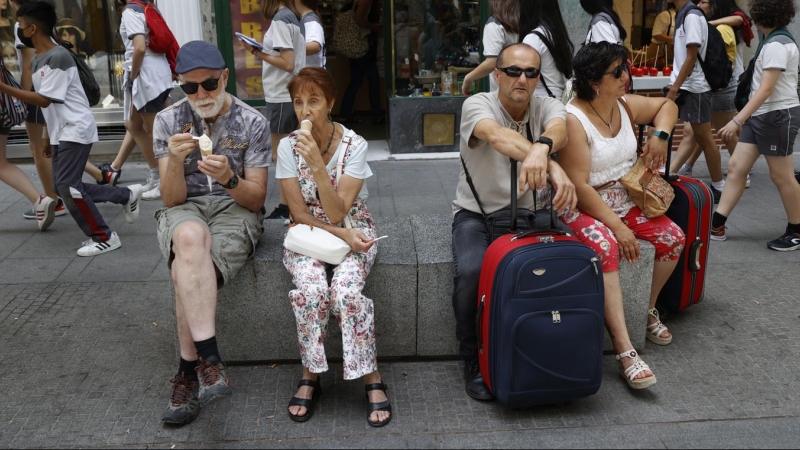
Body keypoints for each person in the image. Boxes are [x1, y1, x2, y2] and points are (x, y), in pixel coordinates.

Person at [153, 40, 270, 425]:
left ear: (224, 77)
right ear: (179, 84)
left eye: (209, 85)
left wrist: (229, 178)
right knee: (189, 239)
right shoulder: (168, 122)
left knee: (185, 272)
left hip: (234, 208)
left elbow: (255, 201)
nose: (200, 94)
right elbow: (171, 200)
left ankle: (188, 371)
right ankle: (212, 359)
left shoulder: (253, 122)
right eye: (190, 87)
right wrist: (173, 160)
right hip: (186, 208)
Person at [452, 43, 577, 400]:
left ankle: (552, 347)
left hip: (528, 216)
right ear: (497, 74)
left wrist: (543, 148)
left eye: (531, 72)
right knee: (472, 272)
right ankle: (472, 357)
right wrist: (550, 163)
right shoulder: (478, 104)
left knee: (566, 264)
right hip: (476, 214)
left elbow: (560, 129)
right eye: (513, 71)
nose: (522, 79)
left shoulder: (547, 103)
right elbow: (498, 137)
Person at [558, 42, 685, 388]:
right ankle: (625, 349)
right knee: (607, 248)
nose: (627, 76)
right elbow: (580, 187)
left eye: (625, 68)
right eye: (618, 72)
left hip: (626, 196)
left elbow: (667, 105)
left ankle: (646, 308)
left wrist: (660, 136)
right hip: (584, 203)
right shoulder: (574, 120)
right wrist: (617, 228)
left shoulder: (623, 104)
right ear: (595, 82)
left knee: (672, 238)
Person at [276, 66, 391, 426]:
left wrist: (316, 165)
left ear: (330, 103)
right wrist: (339, 234)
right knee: (311, 292)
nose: (305, 111)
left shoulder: (355, 145)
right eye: (298, 102)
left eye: (314, 101)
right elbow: (296, 212)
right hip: (306, 236)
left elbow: (340, 210)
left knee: (345, 292)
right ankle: (311, 374)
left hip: (356, 228)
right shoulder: (286, 146)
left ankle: (370, 374)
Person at [0, 1, 143, 255]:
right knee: (63, 186)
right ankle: (125, 195)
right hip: (60, 131)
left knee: (67, 186)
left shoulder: (58, 57)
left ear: (32, 29)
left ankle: (104, 235)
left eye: (21, 26)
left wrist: (5, 89)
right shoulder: (39, 59)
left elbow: (44, 99)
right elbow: (49, 103)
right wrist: (46, 135)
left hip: (76, 128)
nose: (18, 31)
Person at [712, 0, 800, 250]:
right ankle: (717, 224)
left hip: (777, 115)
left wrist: (737, 120)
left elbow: (766, 89)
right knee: (736, 166)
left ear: (759, 17)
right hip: (762, 115)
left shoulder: (776, 45)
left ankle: (796, 231)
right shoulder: (774, 41)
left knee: (781, 175)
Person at [241, 0, 305, 221]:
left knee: (281, 155)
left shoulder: (280, 19)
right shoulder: (292, 16)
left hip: (281, 94)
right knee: (290, 152)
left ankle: (287, 207)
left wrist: (257, 53)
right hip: (289, 91)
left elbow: (287, 63)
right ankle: (294, 205)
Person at [675, 0, 749, 186]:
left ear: (716, 6)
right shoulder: (703, 21)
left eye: (705, 2)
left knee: (724, 133)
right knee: (699, 132)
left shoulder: (721, 28)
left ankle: (741, 174)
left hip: (721, 87)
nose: (700, 4)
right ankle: (683, 167)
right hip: (713, 86)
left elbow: (714, 59)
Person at [666, 0, 725, 203]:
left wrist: (674, 89)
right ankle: (669, 172)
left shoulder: (691, 16)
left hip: (695, 88)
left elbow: (691, 57)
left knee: (705, 138)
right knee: (695, 135)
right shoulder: (685, 14)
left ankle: (719, 186)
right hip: (688, 86)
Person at [12, 0, 65, 223]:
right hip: (49, 86)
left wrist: (22, 97)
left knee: (38, 149)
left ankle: (53, 200)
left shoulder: (23, 25)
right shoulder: (42, 20)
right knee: (53, 142)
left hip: (36, 89)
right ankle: (99, 175)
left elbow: (27, 64)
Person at [118, 0, 174, 201]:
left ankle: (165, 181)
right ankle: (156, 175)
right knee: (133, 124)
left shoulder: (130, 11)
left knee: (158, 133)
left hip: (146, 76)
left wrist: (133, 75)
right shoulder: (146, 7)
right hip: (157, 72)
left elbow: (139, 47)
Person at [336, 0, 383, 124]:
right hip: (361, 45)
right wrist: (374, 27)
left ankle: (344, 114)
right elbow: (358, 19)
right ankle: (376, 115)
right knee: (373, 80)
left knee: (355, 81)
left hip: (354, 46)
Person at [519, 0, 574, 99]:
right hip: (559, 99)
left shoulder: (533, 38)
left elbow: (523, 77)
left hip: (542, 102)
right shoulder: (556, 34)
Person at [460, 0, 517, 96]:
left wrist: (468, 78)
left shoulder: (494, 25)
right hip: (520, 89)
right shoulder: (520, 24)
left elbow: (492, 62)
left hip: (503, 93)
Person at [647, 0, 676, 69]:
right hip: (658, 50)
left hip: (670, 50)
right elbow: (656, 34)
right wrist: (673, 39)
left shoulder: (683, 16)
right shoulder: (666, 15)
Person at [297, 0, 325, 68]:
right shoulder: (302, 19)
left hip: (311, 76)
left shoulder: (310, 20)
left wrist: (288, 49)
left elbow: (315, 46)